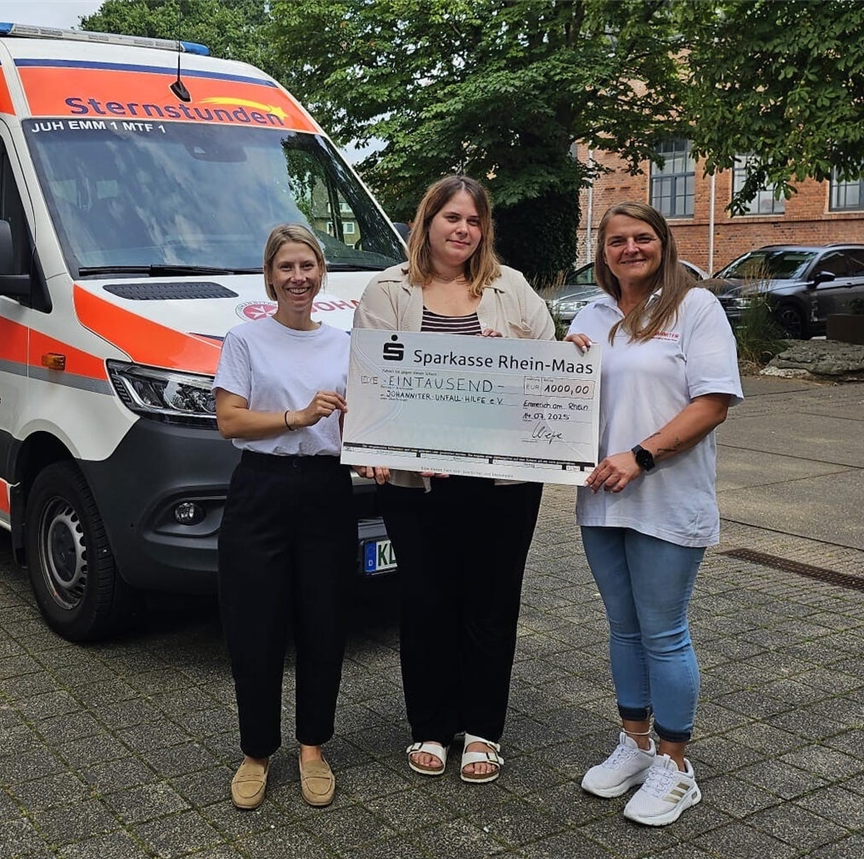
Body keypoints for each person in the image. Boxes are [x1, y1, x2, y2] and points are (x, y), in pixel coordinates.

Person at [353, 175, 555, 783]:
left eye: (473, 220)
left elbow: (548, 376)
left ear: (484, 229)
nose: (463, 230)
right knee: (425, 602)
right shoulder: (388, 289)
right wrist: (373, 448)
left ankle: (483, 729)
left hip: (502, 484)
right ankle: (432, 726)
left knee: (492, 602)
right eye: (452, 218)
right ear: (427, 222)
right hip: (416, 483)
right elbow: (369, 379)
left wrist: (514, 360)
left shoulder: (512, 288)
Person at [565, 201, 742, 827]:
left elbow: (713, 402)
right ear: (602, 251)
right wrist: (557, 363)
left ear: (663, 244)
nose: (630, 249)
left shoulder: (695, 308)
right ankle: (636, 744)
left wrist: (640, 456)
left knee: (663, 632)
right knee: (623, 628)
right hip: (600, 496)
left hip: (667, 494)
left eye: (642, 237)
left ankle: (675, 765)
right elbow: (562, 395)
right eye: (617, 240)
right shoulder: (592, 314)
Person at [213, 224, 355, 810]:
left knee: (324, 623)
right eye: (287, 267)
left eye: (308, 266)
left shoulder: (345, 343)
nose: (298, 277)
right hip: (261, 488)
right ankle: (256, 752)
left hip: (326, 489)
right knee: (255, 626)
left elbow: (363, 421)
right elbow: (230, 421)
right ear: (270, 277)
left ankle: (313, 748)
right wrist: (296, 417)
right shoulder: (245, 340)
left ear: (322, 272)